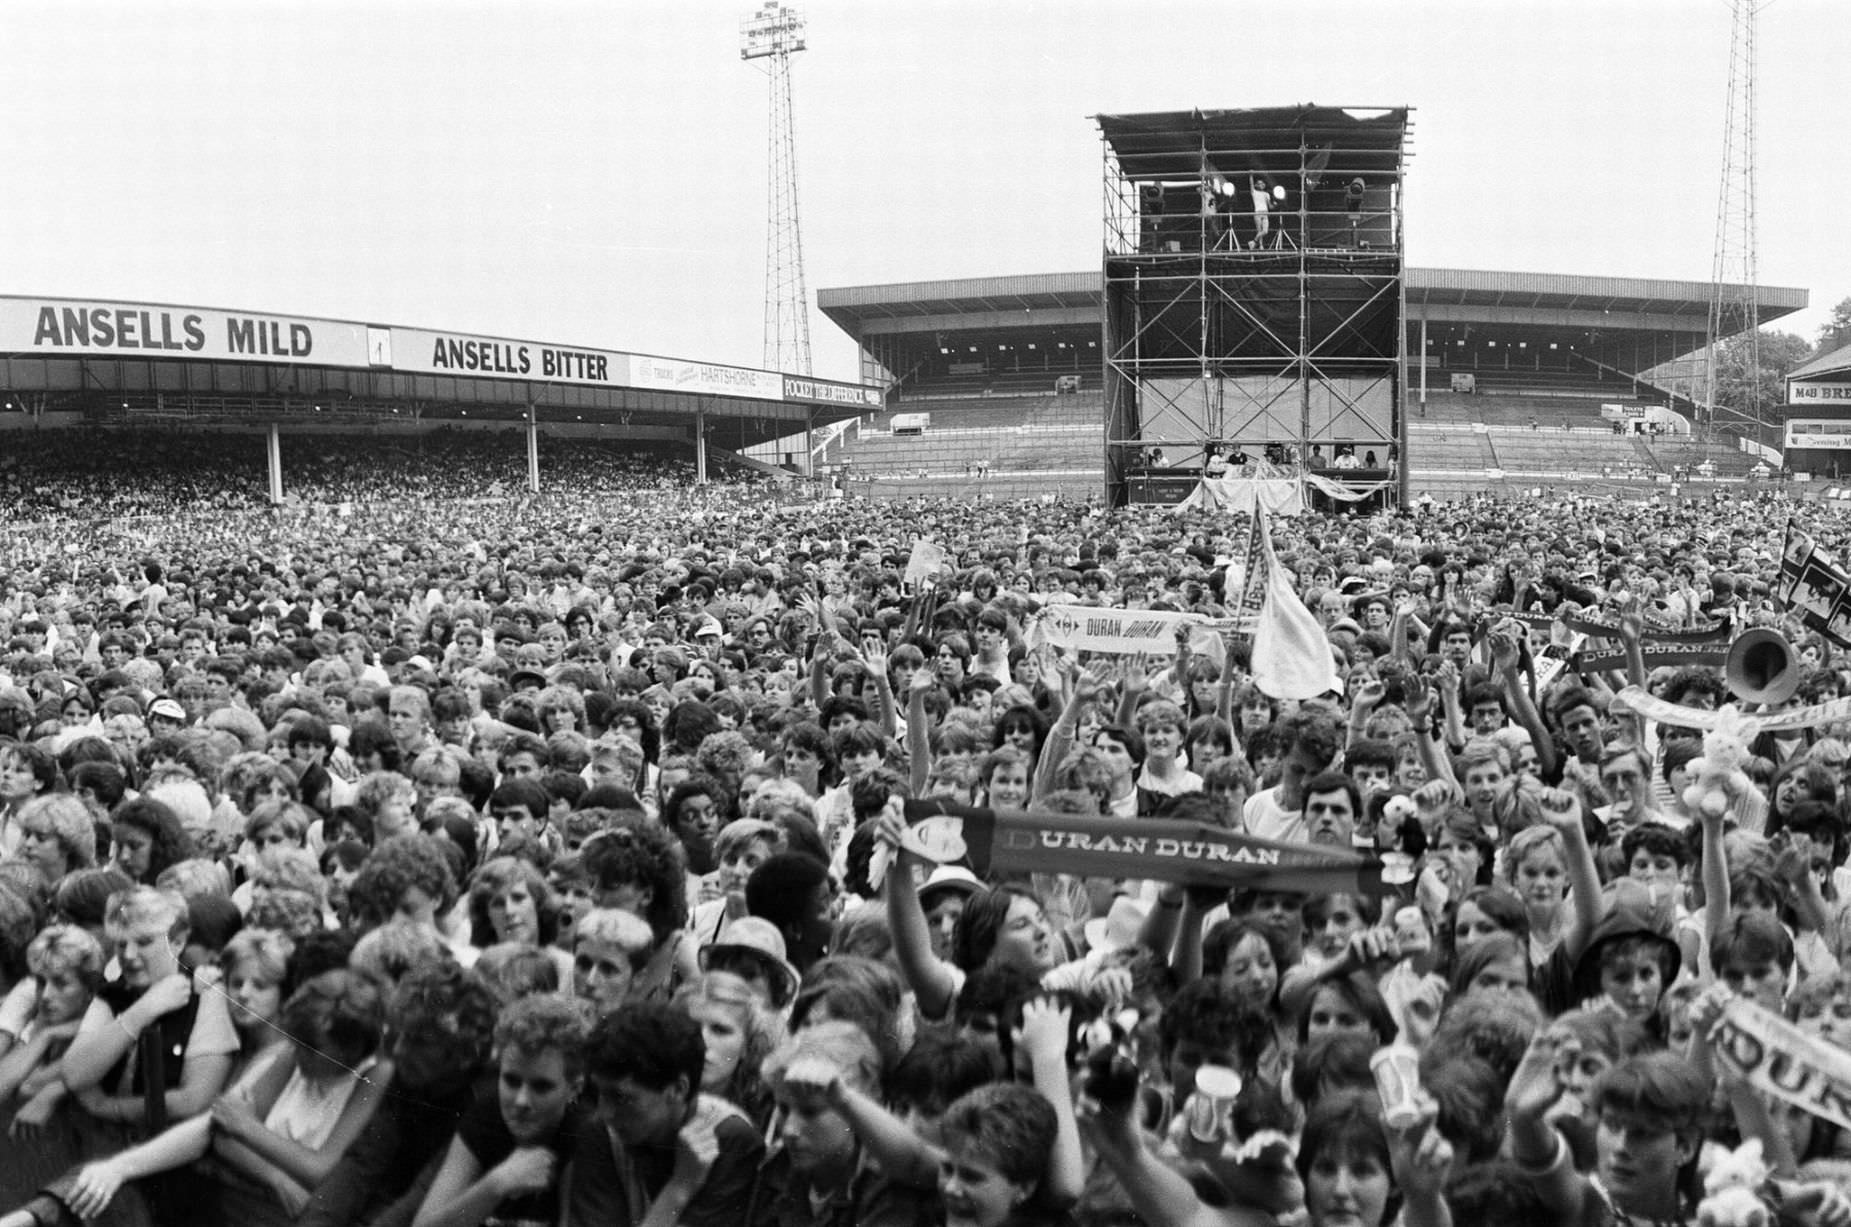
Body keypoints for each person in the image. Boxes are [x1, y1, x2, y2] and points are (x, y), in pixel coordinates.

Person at [413, 993, 595, 1227]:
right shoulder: (486, 1114)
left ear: (574, 1088)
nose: (521, 1101)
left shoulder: (585, 1136)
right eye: (511, 1081)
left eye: (541, 1087)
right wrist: (495, 1185)